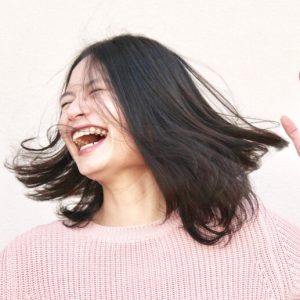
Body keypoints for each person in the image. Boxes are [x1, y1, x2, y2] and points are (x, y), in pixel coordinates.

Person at [1, 33, 299, 300]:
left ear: (155, 107)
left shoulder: (259, 239)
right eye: (67, 102)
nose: (73, 111)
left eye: (96, 92)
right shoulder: (26, 261)